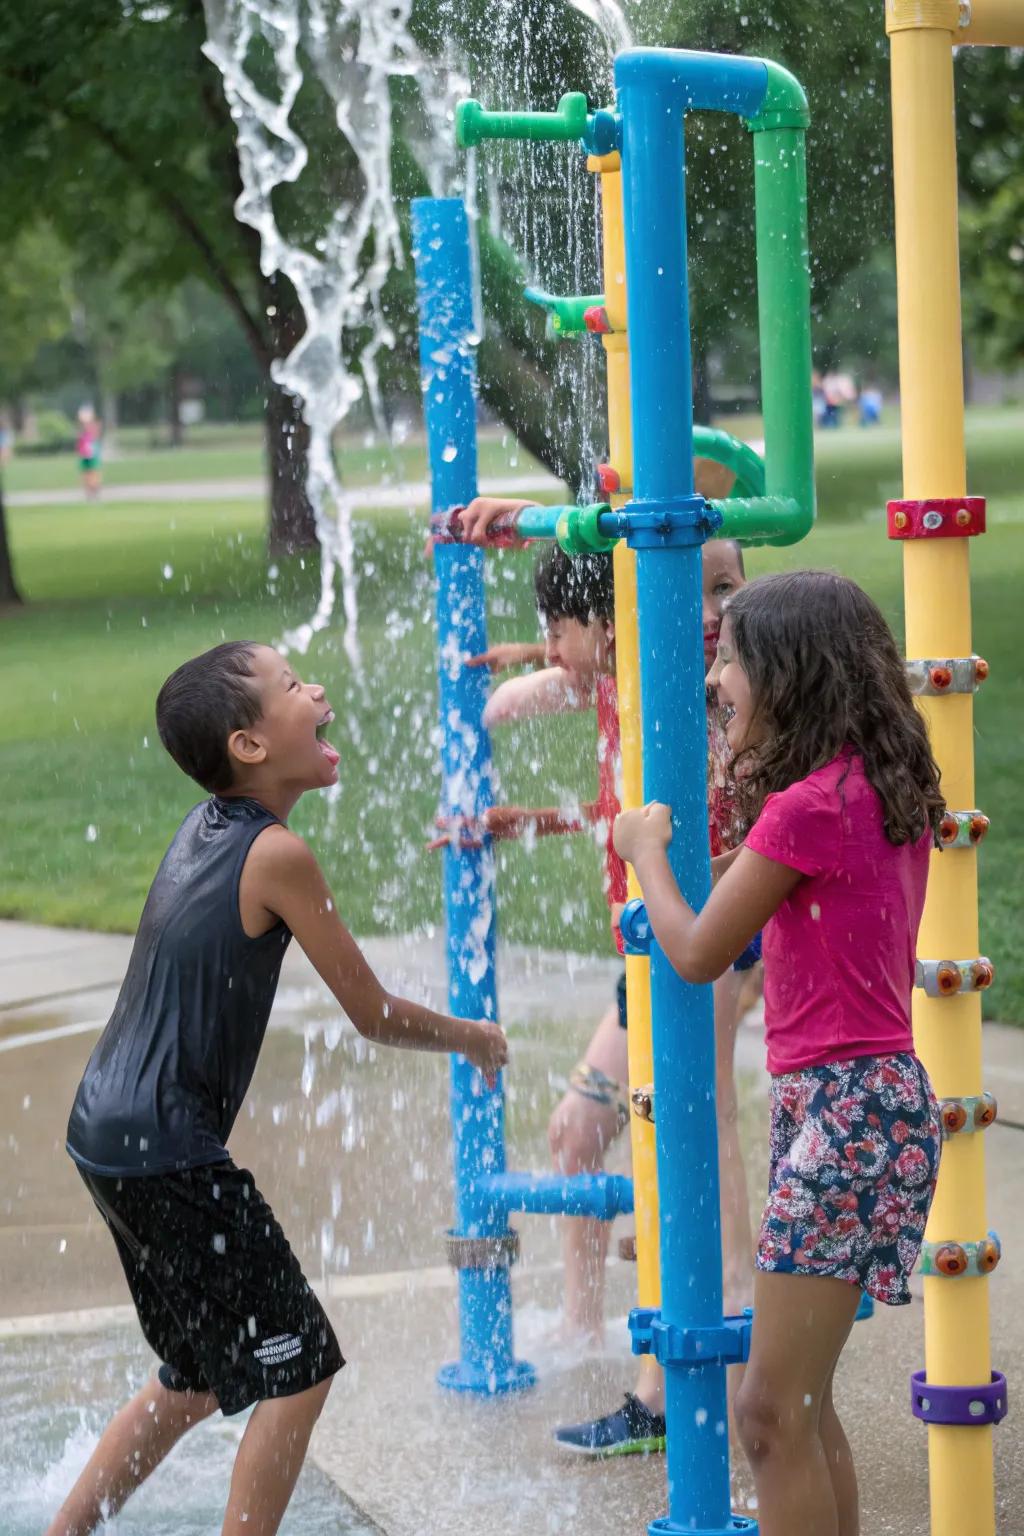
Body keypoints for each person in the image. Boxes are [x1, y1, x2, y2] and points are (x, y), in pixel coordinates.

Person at [50, 641, 507, 1536]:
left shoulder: (204, 829)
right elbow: (371, 1012)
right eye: (293, 687)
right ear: (250, 746)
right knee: (300, 1370)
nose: (318, 691)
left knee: (198, 1372)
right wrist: (472, 1038)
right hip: (168, 1148)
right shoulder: (278, 855)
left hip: (104, 1136)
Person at [613, 570, 943, 1536]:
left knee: (767, 1411)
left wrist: (640, 851)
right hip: (873, 1106)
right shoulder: (867, 787)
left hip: (841, 1112)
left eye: (729, 659)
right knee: (803, 1404)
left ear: (790, 675)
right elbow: (755, 880)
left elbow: (697, 949)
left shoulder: (808, 807)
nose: (717, 678)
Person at [452, 497, 756, 1458]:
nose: (552, 645)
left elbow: (537, 692)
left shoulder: (682, 671)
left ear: (609, 621)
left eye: (561, 627)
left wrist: (530, 526)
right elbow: (527, 696)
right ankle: (589, 1321)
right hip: (650, 941)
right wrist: (545, 661)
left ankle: (692, 1353)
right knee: (579, 1133)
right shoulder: (625, 672)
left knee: (693, 1128)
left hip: (698, 931)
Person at [76, 406, 102, 500]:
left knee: (93, 473)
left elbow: (94, 435)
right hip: (84, 455)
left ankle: (95, 492)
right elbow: (80, 442)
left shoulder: (93, 426)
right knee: (85, 474)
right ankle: (89, 493)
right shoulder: (81, 428)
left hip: (92, 454)